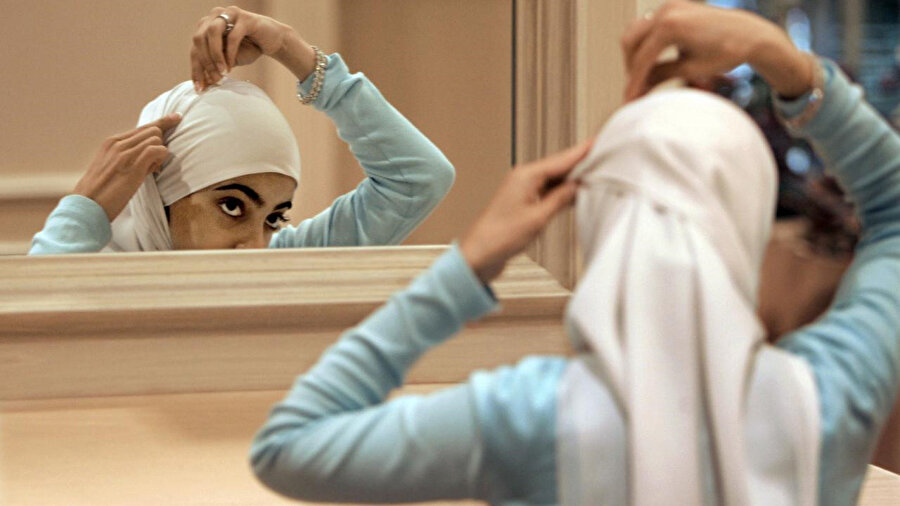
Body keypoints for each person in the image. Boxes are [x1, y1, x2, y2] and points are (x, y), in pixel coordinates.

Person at [249, 2, 900, 505]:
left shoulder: (529, 417)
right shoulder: (830, 398)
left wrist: (468, 265)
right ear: (748, 224)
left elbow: (289, 446)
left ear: (596, 221)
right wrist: (786, 63)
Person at [29, 6, 454, 254]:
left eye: (274, 218)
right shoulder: (94, 280)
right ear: (159, 195)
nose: (255, 248)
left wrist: (289, 47)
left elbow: (418, 181)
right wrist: (83, 209)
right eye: (232, 206)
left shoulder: (277, 266)